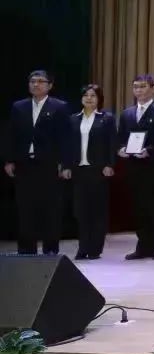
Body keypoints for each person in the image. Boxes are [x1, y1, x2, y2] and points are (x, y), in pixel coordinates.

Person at [3, 70, 69, 255]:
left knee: (51, 210)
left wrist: (65, 164)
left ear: (50, 85)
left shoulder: (59, 107)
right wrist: (9, 160)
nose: (36, 84)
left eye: (40, 81)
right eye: (32, 81)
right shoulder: (19, 107)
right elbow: (11, 135)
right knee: (25, 210)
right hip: (24, 165)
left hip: (49, 166)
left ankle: (50, 251)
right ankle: (26, 251)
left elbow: (65, 138)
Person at [117, 74, 154, 260]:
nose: (139, 90)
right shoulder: (127, 114)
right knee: (138, 207)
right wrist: (121, 149)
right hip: (133, 167)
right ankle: (143, 246)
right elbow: (120, 138)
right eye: (136, 87)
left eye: (143, 86)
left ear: (153, 88)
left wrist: (149, 151)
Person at [64, 84, 116, 260]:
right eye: (86, 95)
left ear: (99, 99)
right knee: (81, 211)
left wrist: (110, 164)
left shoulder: (106, 119)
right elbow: (68, 145)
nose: (89, 98)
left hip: (99, 170)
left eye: (93, 95)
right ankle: (83, 247)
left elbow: (112, 143)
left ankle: (95, 248)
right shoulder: (73, 119)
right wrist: (66, 166)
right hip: (79, 170)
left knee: (98, 211)